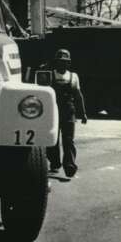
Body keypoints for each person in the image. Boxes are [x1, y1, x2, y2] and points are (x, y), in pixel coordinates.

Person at [45, 48, 88, 178]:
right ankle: (54, 164)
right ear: (56, 62)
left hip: (69, 112)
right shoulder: (49, 75)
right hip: (53, 112)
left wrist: (83, 113)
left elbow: (78, 95)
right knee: (53, 140)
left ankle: (69, 166)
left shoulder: (73, 76)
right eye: (60, 61)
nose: (62, 64)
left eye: (65, 62)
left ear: (69, 63)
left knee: (69, 140)